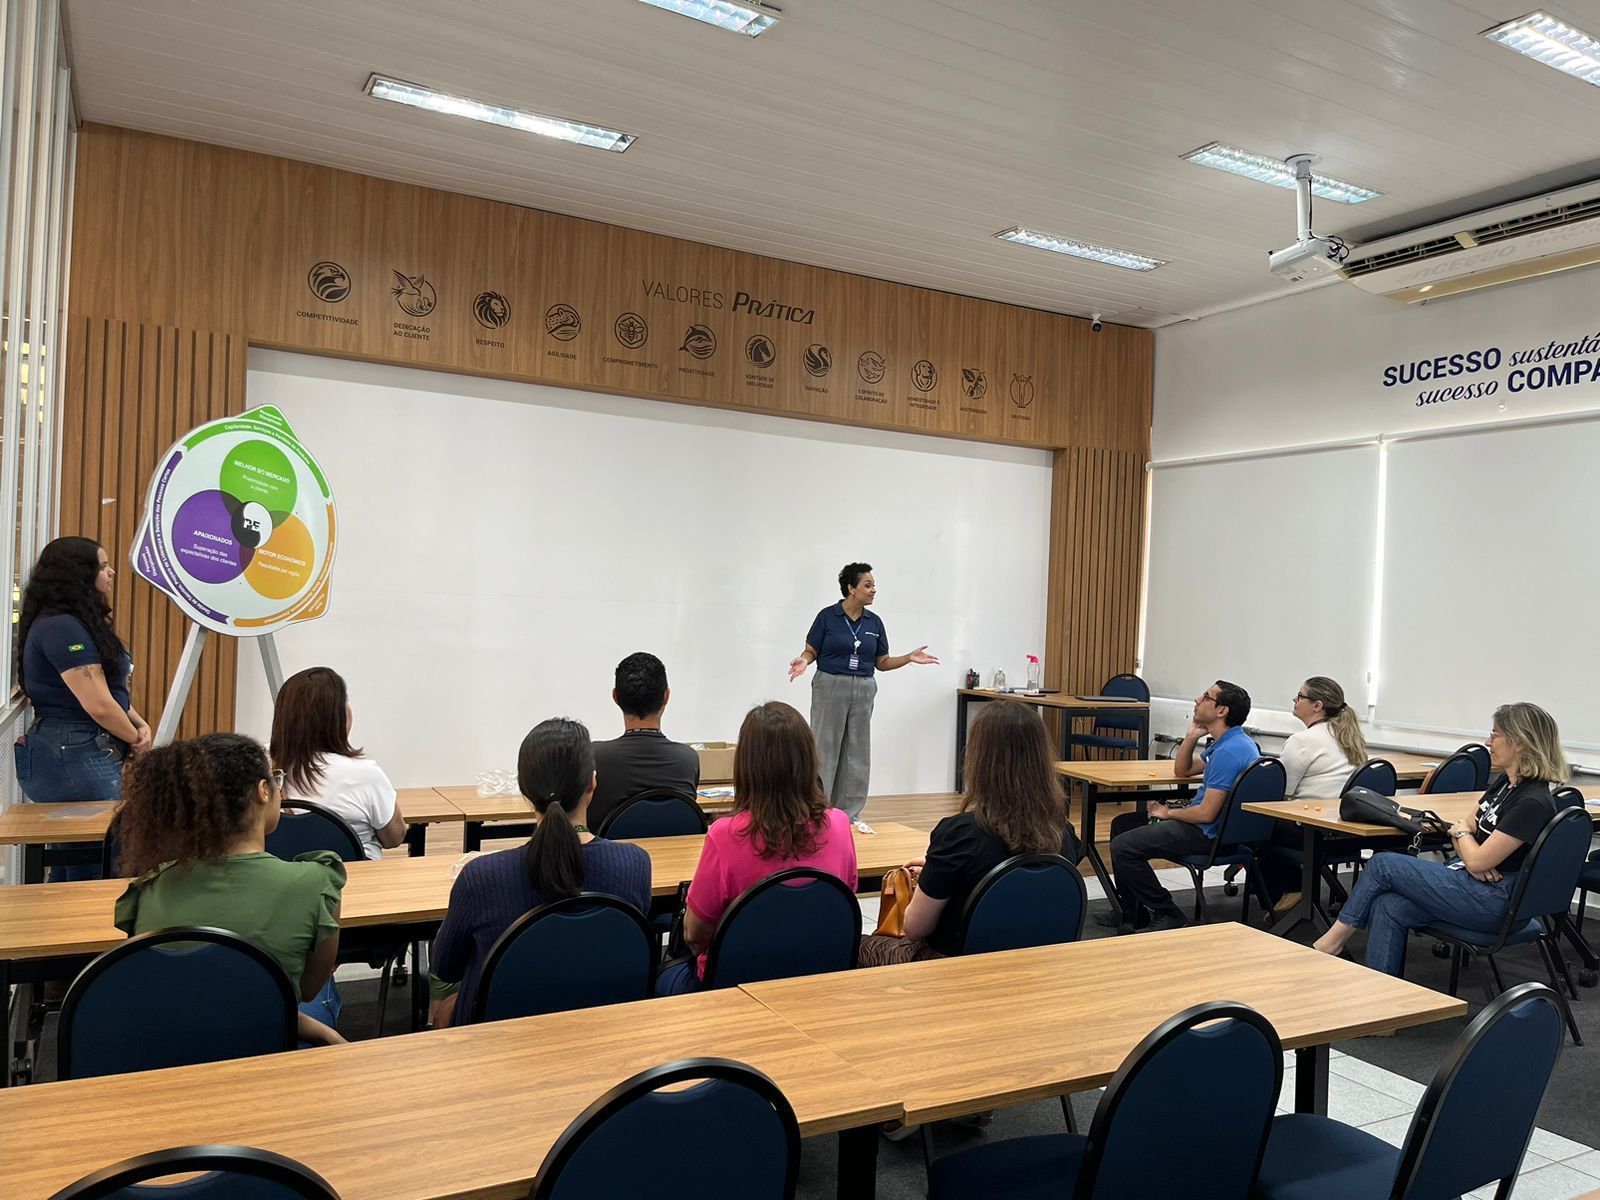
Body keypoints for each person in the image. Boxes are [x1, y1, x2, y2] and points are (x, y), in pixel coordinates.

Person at [113, 733, 346, 1046]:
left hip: (169, 1052)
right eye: (276, 779)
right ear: (264, 791)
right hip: (267, 1049)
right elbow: (305, 990)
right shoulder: (317, 884)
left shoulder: (148, 888)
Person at [1313, 703, 1564, 977]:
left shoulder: (1532, 801)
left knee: (1383, 864)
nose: (1488, 742)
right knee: (1389, 906)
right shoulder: (1506, 783)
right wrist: (1468, 846)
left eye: (1495, 735)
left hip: (1494, 902)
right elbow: (1463, 828)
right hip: (1470, 881)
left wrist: (1469, 847)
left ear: (1520, 743)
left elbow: (1476, 854)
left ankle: (1331, 943)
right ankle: (1380, 995)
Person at [429, 718, 652, 1026]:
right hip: (601, 1028)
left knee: (443, 1010)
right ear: (592, 784)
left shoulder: (481, 877)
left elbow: (446, 967)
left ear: (524, 788)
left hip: (498, 1041)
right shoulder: (635, 865)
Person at [656, 701, 859, 994]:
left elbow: (694, 934)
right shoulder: (840, 825)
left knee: (661, 978)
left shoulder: (724, 835)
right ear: (809, 760)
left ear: (746, 765)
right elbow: (844, 903)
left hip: (735, 986)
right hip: (819, 981)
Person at [858, 701, 1082, 966]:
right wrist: (938, 871)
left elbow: (915, 928)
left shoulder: (960, 834)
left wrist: (937, 877)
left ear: (980, 760)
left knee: (855, 944)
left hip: (957, 971)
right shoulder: (1064, 833)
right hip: (1039, 967)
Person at [13, 537, 150, 881]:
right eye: (103, 566)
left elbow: (108, 690)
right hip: (73, 752)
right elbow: (98, 704)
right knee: (99, 859)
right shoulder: (61, 627)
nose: (111, 572)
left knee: (80, 856)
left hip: (77, 747)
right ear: (79, 574)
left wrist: (138, 722)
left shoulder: (74, 622)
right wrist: (135, 737)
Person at [1101, 680, 1259, 933]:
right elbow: (1183, 770)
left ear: (1222, 711)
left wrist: (1169, 813)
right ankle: (1132, 910)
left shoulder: (1229, 752)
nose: (1197, 699)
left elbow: (1206, 813)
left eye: (1206, 697)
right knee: (1123, 824)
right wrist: (1191, 736)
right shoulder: (1233, 742)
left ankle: (1168, 912)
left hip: (1206, 833)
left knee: (1124, 846)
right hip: (1215, 829)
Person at [788, 562, 938, 825]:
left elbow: (882, 662)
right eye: (867, 585)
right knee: (825, 747)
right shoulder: (828, 617)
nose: (873, 591)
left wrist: (908, 658)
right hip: (830, 685)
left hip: (864, 687)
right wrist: (803, 660)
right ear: (851, 588)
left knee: (858, 751)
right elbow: (811, 650)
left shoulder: (874, 622)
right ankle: (818, 810)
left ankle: (849, 814)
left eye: (873, 585)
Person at [269, 666, 406, 861]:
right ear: (339, 716)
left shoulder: (258, 762)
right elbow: (394, 837)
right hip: (353, 884)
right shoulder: (365, 774)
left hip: (283, 882)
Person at [1261, 676, 1370, 907]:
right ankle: (1289, 895)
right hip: (1346, 833)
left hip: (1311, 832)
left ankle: (1289, 891)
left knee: (1254, 826)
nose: (1294, 699)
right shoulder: (1352, 738)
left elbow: (1281, 793)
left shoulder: (1302, 741)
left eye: (1300, 696)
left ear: (1317, 705)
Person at [589, 651, 701, 831]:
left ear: (615, 697)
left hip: (614, 858)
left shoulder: (593, 756)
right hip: (676, 857)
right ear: (666, 696)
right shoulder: (688, 759)